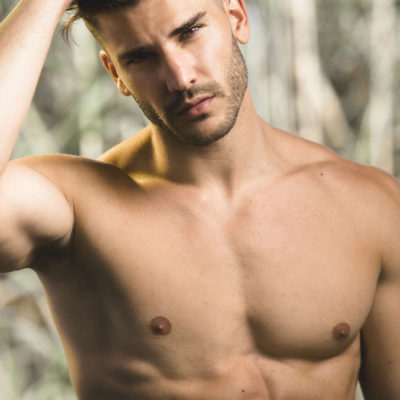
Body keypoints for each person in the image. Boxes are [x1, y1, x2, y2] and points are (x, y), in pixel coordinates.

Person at [0, 0, 399, 398]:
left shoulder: (367, 206)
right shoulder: (76, 210)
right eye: (141, 57)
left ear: (237, 17)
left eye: (189, 32)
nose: (180, 77)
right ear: (115, 73)